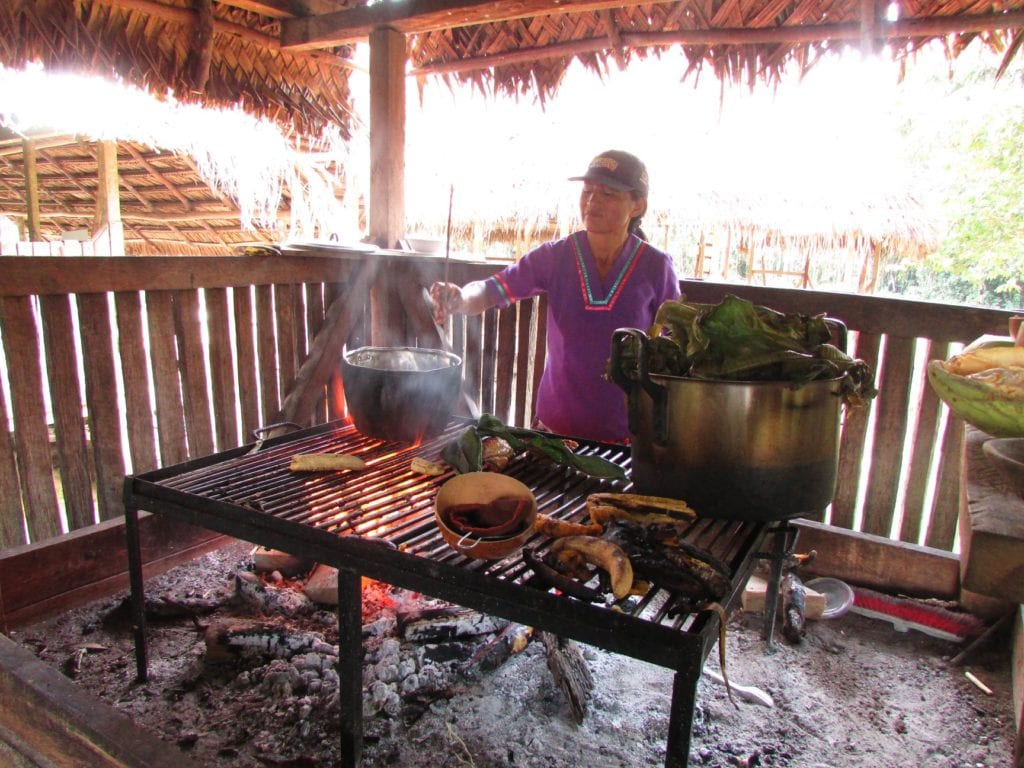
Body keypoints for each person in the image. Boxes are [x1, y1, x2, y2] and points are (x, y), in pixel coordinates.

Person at [430, 150, 681, 443]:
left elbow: (673, 349)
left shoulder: (656, 266)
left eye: (608, 193)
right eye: (587, 191)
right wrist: (460, 298)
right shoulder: (555, 256)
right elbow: (492, 289)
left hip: (628, 437)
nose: (592, 201)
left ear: (637, 205)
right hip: (554, 431)